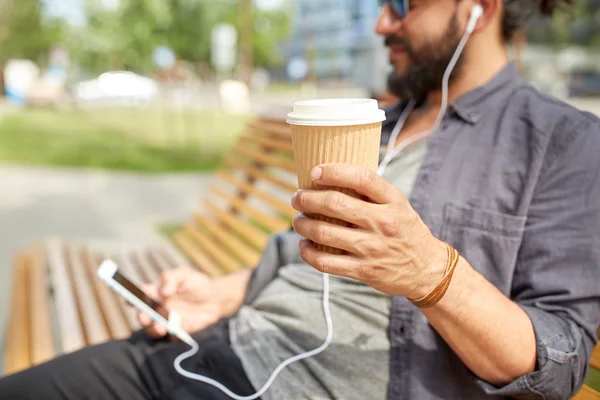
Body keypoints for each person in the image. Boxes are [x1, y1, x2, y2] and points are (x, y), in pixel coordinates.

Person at [2, 0, 599, 399]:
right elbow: (304, 246)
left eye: (400, 3)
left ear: (478, 8)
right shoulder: (381, 123)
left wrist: (431, 274)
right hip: (217, 348)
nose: (380, 25)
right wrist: (220, 292)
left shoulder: (563, 144)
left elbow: (561, 359)